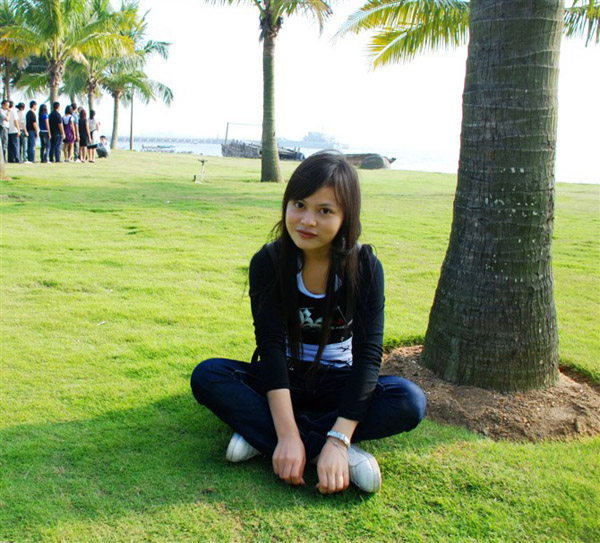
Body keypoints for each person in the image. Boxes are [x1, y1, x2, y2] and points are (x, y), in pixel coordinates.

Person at [190, 151, 426, 494]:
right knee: (208, 375)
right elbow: (270, 347)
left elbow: (368, 355)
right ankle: (306, 445)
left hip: (339, 383)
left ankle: (266, 435)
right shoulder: (269, 262)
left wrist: (339, 439)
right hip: (283, 378)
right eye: (299, 205)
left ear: (346, 216)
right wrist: (288, 436)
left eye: (324, 211)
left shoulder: (365, 267)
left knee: (409, 400)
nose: (307, 221)